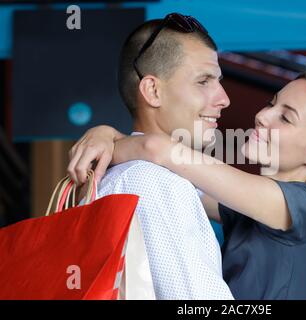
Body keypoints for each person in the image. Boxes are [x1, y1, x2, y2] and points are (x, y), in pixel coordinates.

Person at [69, 71, 306, 299]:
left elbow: (159, 151)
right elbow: (174, 183)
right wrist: (107, 136)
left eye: (285, 117)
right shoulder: (252, 212)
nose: (263, 115)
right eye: (273, 103)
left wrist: (111, 138)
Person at [67, 13, 235, 299]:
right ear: (153, 91)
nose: (223, 98)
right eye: (203, 81)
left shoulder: (117, 176)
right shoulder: (155, 183)